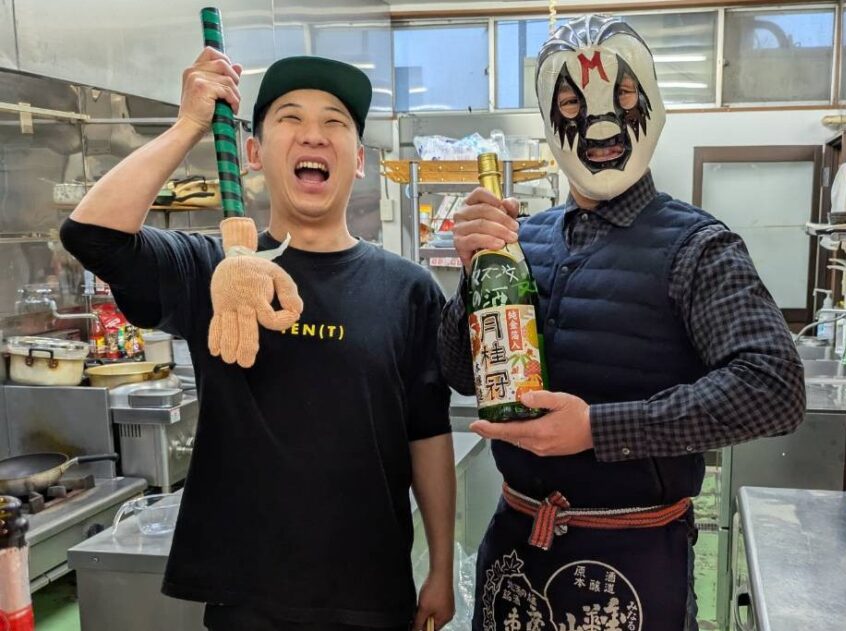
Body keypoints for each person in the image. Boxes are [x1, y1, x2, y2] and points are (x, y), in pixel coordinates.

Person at [61, 49, 456, 631]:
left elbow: (428, 433)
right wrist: (188, 125)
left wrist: (442, 566)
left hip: (371, 592)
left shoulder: (408, 289)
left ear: (359, 161)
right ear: (253, 152)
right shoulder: (214, 269)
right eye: (290, 118)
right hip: (246, 597)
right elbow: (90, 236)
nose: (313, 135)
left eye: (334, 122)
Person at [437, 15, 805, 630]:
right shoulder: (522, 241)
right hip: (516, 551)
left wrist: (598, 429)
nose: (601, 123)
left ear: (652, 104)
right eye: (570, 104)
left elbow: (774, 388)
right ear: (549, 122)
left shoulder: (698, 247)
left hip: (636, 557)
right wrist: (473, 275)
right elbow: (460, 374)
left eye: (624, 95)